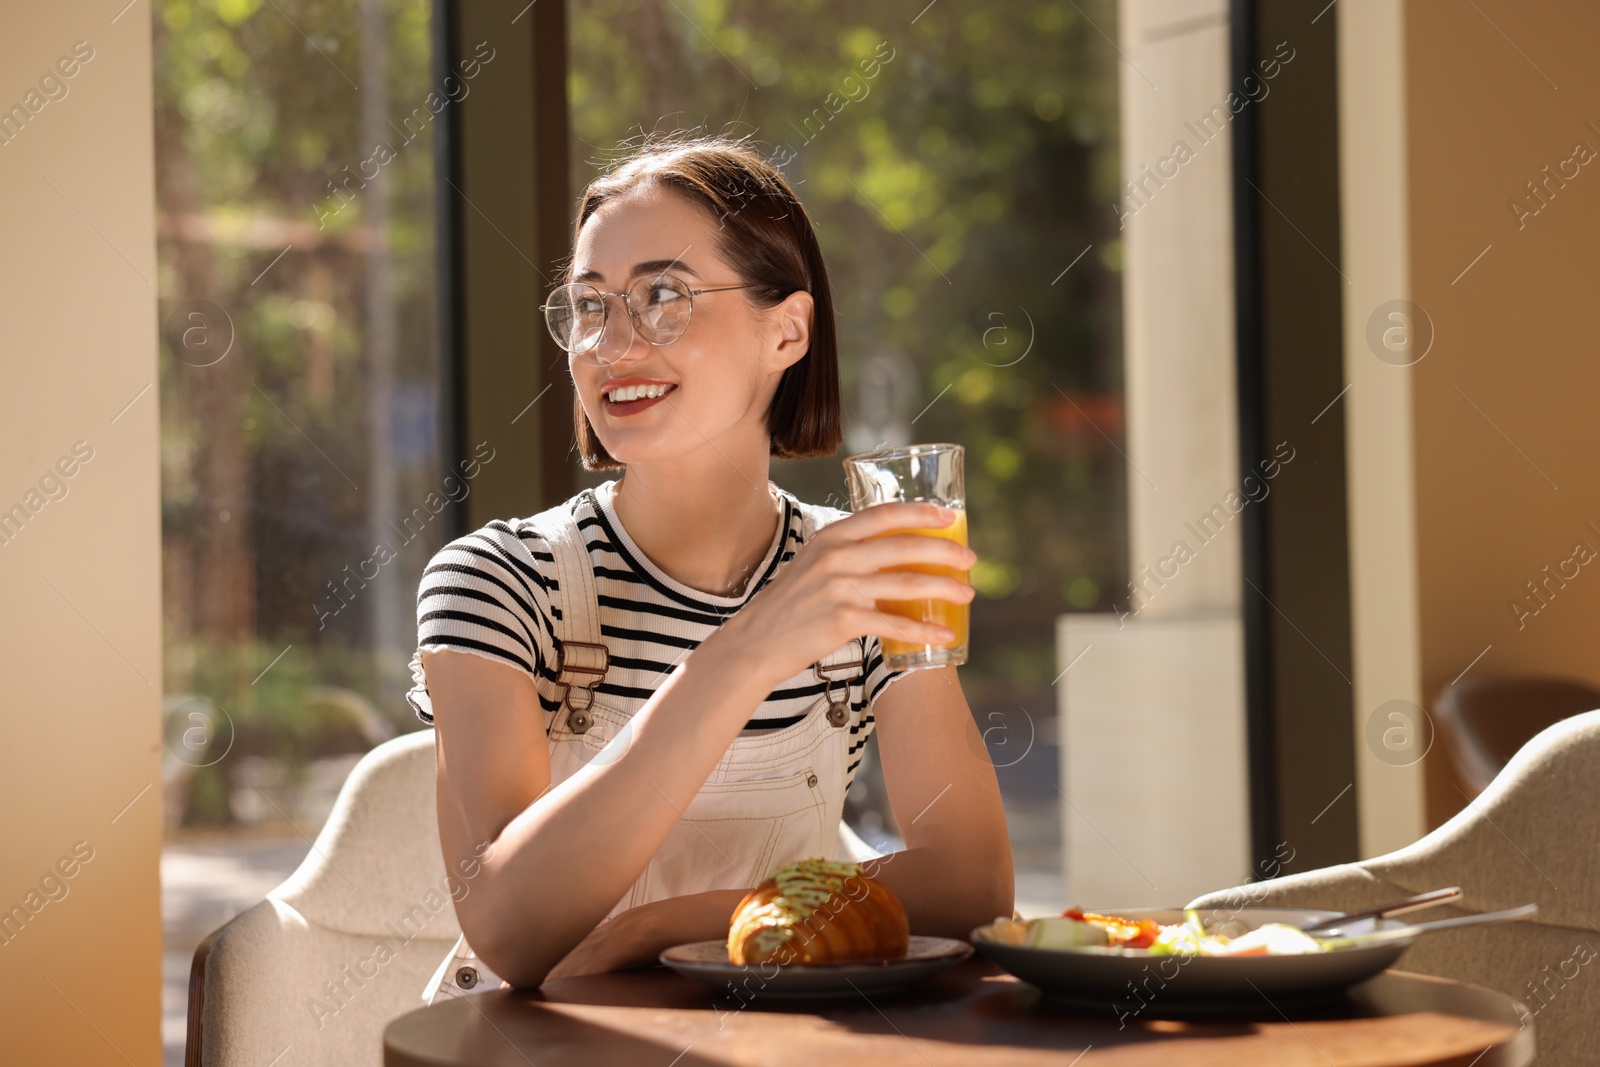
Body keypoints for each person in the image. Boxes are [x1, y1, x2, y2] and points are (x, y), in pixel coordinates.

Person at [405, 135, 1012, 990]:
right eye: (588, 305)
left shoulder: (855, 572)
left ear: (787, 330)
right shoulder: (498, 578)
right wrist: (751, 646)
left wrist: (661, 927)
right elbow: (509, 924)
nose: (611, 344)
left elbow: (971, 886)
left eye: (663, 296)